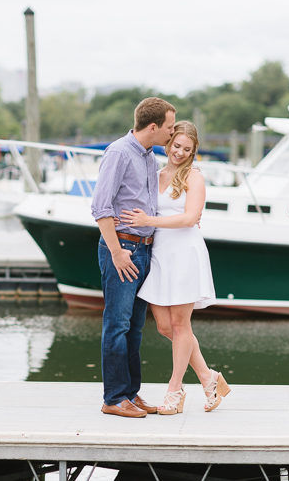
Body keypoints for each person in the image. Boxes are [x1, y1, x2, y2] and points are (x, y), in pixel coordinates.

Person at [120, 121, 230, 415]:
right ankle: (209, 378)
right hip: (159, 254)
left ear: (193, 151)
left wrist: (148, 221)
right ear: (168, 144)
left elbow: (190, 218)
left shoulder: (194, 177)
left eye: (187, 149)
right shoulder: (154, 175)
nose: (179, 152)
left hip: (184, 253)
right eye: (176, 145)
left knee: (181, 326)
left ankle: (175, 390)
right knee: (166, 327)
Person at [90, 97, 176, 418]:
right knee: (116, 325)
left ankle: (130, 393)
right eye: (169, 127)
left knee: (135, 328)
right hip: (123, 249)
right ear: (153, 127)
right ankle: (113, 398)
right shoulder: (119, 152)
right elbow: (101, 208)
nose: (171, 132)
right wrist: (116, 253)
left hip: (144, 250)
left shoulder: (149, 156)